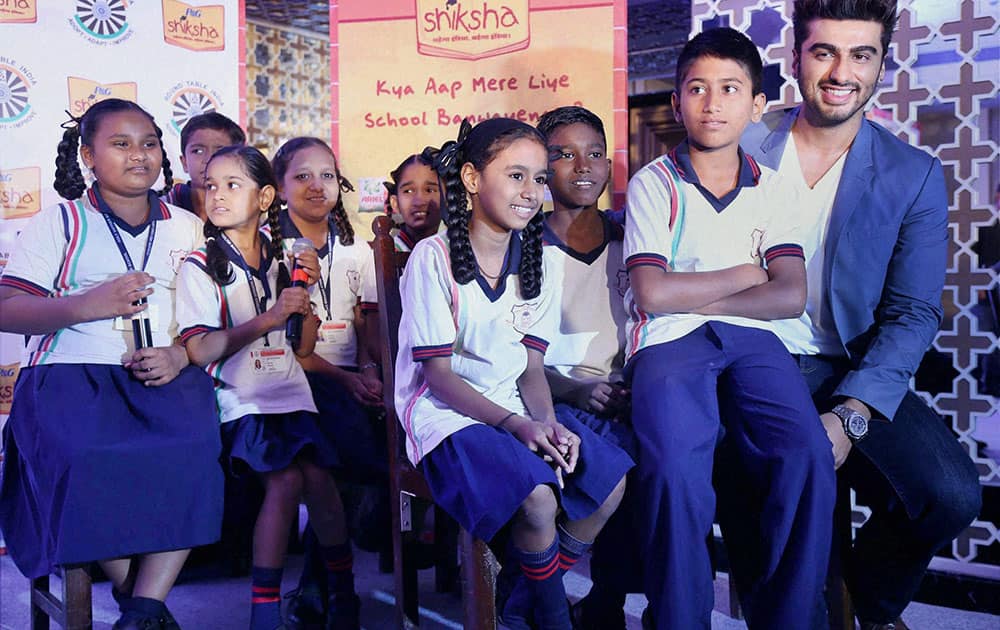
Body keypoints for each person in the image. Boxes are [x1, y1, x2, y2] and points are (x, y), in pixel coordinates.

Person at [735, 1, 982, 627]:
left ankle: (863, 607)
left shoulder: (914, 174)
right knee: (767, 505)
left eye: (860, 54)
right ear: (796, 59)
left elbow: (914, 312)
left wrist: (851, 414)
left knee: (948, 496)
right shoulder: (742, 140)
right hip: (743, 356)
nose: (841, 71)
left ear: (881, 64)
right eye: (824, 52)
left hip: (845, 367)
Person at [623, 28, 835, 629]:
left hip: (754, 341)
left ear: (757, 105)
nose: (712, 103)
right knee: (671, 471)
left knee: (806, 453)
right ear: (676, 104)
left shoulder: (775, 190)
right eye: (697, 89)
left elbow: (790, 296)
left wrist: (706, 289)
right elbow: (651, 292)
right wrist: (747, 273)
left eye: (730, 89)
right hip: (665, 343)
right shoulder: (652, 185)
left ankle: (790, 619)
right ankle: (680, 619)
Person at [396, 118, 632, 629]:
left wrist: (549, 424)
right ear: (473, 178)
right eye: (516, 176)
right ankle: (552, 618)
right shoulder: (430, 259)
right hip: (448, 416)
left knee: (608, 482)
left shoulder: (539, 261)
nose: (532, 193)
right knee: (538, 498)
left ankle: (520, 597)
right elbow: (438, 378)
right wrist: (517, 426)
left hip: (517, 406)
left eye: (540, 179)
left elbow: (530, 369)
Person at [0, 98, 224, 630]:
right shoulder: (61, 222)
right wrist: (86, 304)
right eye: (120, 144)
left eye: (148, 143)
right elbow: (7, 309)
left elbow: (210, 315)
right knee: (86, 458)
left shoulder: (190, 227)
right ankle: (144, 605)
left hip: (166, 375)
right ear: (88, 156)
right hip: (71, 377)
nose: (139, 156)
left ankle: (142, 610)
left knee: (195, 448)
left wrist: (178, 354)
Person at [176, 145, 360, 630]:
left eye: (232, 185)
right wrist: (272, 316)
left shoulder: (284, 258)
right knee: (285, 480)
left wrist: (304, 305)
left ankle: (344, 597)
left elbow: (301, 349)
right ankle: (265, 612)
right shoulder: (200, 264)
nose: (216, 195)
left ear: (265, 197)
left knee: (320, 479)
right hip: (240, 397)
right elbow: (200, 350)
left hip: (290, 390)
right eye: (211, 185)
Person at [266, 137, 384, 629]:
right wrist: (347, 379)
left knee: (372, 433)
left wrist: (373, 370)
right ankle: (334, 587)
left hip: (350, 378)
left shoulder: (355, 247)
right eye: (302, 176)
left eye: (327, 175)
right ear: (278, 187)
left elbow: (367, 323)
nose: (317, 186)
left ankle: (323, 587)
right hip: (288, 376)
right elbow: (287, 346)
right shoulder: (266, 249)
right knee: (347, 450)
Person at [535, 105, 640, 629]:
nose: (583, 166)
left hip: (624, 397)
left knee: (670, 457)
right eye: (564, 154)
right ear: (540, 167)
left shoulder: (633, 238)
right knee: (616, 460)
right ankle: (548, 590)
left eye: (595, 153)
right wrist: (574, 391)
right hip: (550, 399)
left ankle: (607, 602)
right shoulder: (523, 246)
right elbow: (506, 356)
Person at [162, 111, 246, 220]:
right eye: (198, 151)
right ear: (184, 162)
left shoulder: (247, 209)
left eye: (220, 151)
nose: (208, 160)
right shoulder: (164, 205)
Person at [384, 152, 443, 252]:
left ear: (447, 198)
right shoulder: (387, 254)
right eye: (408, 191)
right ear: (395, 203)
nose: (419, 201)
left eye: (429, 190)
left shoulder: (459, 250)